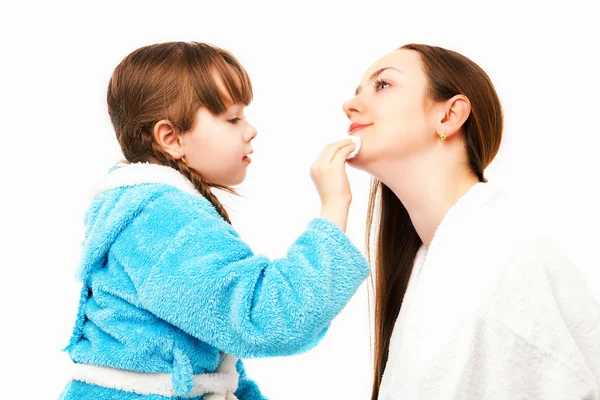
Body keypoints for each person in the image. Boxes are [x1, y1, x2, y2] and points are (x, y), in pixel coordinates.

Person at [59, 41, 369, 400]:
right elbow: (268, 319)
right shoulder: (162, 219)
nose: (250, 130)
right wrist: (334, 206)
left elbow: (216, 369)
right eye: (233, 119)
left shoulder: (149, 212)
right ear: (171, 138)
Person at [343, 43, 600, 399]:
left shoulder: (503, 255)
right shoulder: (439, 262)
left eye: (383, 85)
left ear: (448, 116)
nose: (349, 105)